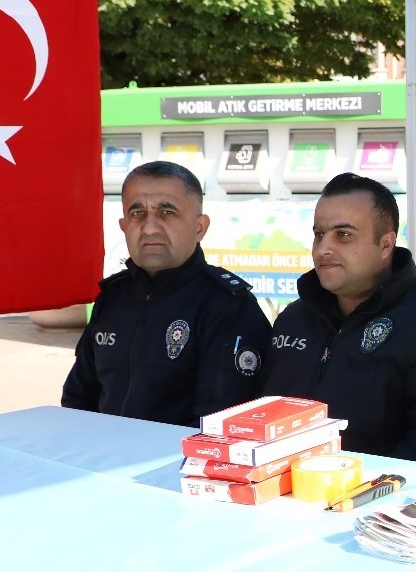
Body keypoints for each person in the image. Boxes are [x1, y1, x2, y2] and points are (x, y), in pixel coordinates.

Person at [261, 173, 416, 460]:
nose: (324, 248)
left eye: (343, 235)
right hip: (280, 491)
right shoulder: (294, 319)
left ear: (386, 244)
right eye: (319, 234)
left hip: (375, 496)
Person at [62, 161, 270, 426]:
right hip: (102, 460)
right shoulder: (112, 298)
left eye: (167, 212)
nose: (149, 228)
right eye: (137, 213)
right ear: (124, 225)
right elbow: (78, 399)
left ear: (199, 228)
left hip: (177, 465)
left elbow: (218, 426)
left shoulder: (227, 307)